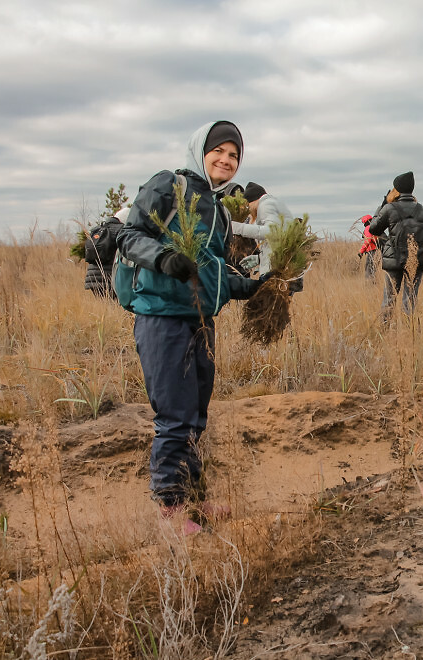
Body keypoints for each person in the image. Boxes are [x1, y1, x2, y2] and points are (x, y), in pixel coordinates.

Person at [116, 120, 286, 534]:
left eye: (234, 155)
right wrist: (164, 259)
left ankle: (195, 499)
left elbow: (215, 274)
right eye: (220, 151)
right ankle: (171, 511)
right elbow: (128, 234)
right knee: (174, 415)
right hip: (162, 317)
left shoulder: (219, 210)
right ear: (201, 151)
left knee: (195, 415)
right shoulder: (168, 186)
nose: (227, 160)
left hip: (201, 322)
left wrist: (251, 287)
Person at [368, 171, 423, 320]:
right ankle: (410, 335)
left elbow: (373, 229)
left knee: (389, 301)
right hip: (416, 262)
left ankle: (384, 334)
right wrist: (419, 255)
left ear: (396, 190)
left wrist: (383, 205)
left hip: (393, 263)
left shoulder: (389, 208)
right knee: (410, 302)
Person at [83, 207, 127, 297]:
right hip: (111, 280)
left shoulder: (96, 230)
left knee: (106, 307)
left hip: (92, 280)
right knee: (117, 308)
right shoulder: (122, 230)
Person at [357, 214, 380, 280]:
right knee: (373, 270)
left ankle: (369, 286)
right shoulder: (374, 227)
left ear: (365, 221)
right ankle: (373, 285)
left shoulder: (368, 228)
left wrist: (361, 251)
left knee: (369, 270)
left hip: (371, 252)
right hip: (376, 251)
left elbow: (368, 240)